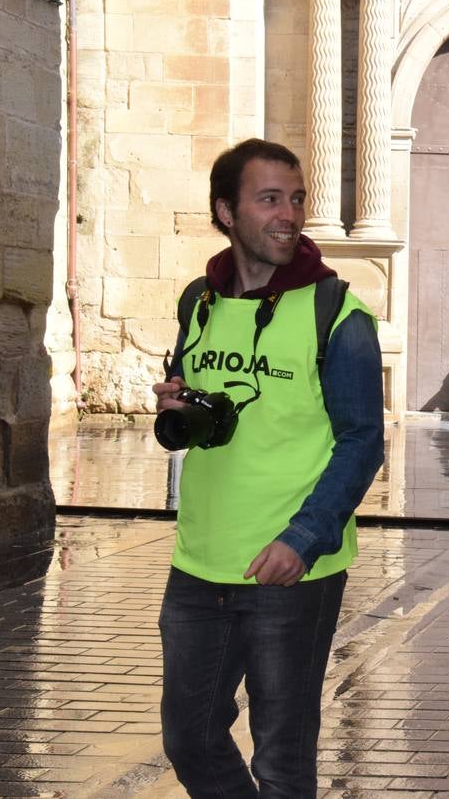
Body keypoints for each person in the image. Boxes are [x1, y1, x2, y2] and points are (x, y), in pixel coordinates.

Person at [152, 138, 385, 798]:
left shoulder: (338, 314)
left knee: (282, 763)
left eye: (297, 198)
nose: (290, 213)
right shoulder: (198, 300)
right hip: (199, 562)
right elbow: (189, 399)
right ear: (226, 211)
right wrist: (176, 405)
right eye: (270, 199)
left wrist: (304, 538)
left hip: (290, 571)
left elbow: (364, 440)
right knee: (188, 738)